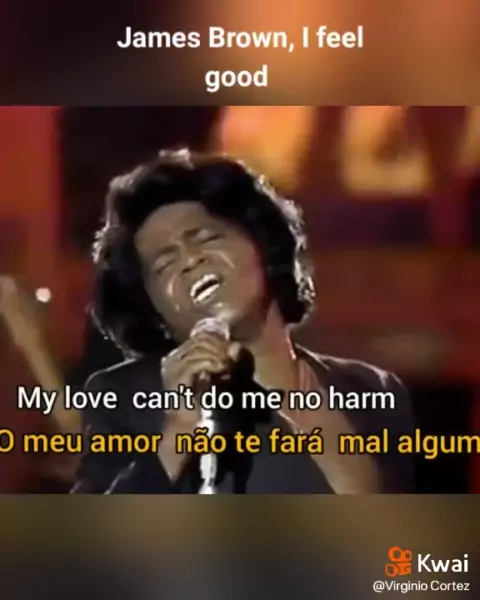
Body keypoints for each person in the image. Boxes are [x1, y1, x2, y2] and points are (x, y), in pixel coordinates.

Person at [72, 149, 415, 494]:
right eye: (164, 264)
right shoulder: (127, 399)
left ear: (263, 247)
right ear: (153, 310)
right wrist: (178, 433)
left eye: (208, 238)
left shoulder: (373, 390)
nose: (191, 260)